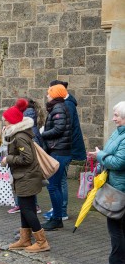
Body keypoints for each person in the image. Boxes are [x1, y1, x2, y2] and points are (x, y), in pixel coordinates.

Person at [1, 99, 50, 253]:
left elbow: (27, 158)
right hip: (23, 177)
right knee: (24, 208)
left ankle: (42, 242)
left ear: (13, 122)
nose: (4, 125)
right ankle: (25, 239)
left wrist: (8, 159)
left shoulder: (20, 136)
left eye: (6, 122)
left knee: (28, 210)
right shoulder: (16, 134)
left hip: (27, 177)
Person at [87, 101, 125, 264]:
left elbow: (118, 162)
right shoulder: (119, 133)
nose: (113, 118)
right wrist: (100, 154)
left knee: (116, 229)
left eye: (117, 115)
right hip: (116, 185)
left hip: (120, 189)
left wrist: (100, 155)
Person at [44, 80, 86, 221]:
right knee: (57, 182)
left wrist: (43, 134)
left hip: (63, 149)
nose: (47, 93)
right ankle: (58, 209)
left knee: (59, 181)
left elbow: (61, 129)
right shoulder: (64, 105)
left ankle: (61, 210)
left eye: (50, 90)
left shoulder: (64, 106)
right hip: (64, 148)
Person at [40, 85, 73, 231]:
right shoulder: (59, 107)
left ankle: (57, 218)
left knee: (53, 186)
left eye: (49, 93)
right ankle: (57, 217)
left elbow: (58, 129)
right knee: (56, 186)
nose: (47, 95)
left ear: (55, 94)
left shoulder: (58, 107)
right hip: (60, 151)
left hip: (59, 151)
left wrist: (42, 134)